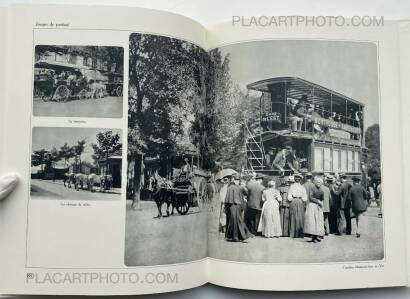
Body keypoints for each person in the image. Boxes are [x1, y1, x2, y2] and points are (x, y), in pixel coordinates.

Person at [225, 175, 252, 242]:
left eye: (237, 180)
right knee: (238, 221)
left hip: (231, 206)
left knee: (233, 221)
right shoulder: (240, 187)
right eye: (237, 180)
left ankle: (233, 236)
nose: (237, 181)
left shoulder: (229, 188)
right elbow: (246, 193)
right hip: (238, 205)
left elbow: (227, 199)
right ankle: (240, 236)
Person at [304, 177, 325, 243]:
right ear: (315, 182)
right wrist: (318, 201)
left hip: (318, 207)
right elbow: (310, 197)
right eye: (318, 182)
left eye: (320, 182)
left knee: (318, 221)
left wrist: (321, 202)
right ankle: (313, 237)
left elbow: (322, 198)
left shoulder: (321, 190)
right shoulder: (312, 188)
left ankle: (317, 236)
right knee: (312, 222)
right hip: (312, 206)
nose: (319, 184)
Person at [288, 174, 308, 238]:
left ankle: (293, 233)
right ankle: (300, 233)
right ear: (300, 180)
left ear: (295, 180)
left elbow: (289, 197)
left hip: (293, 201)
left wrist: (292, 199)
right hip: (300, 201)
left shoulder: (291, 187)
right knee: (300, 217)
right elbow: (305, 198)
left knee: (293, 216)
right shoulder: (302, 187)